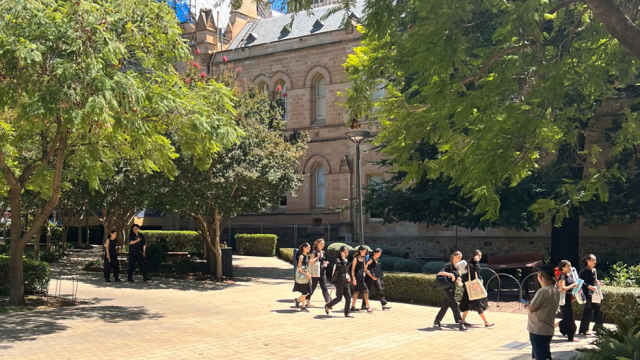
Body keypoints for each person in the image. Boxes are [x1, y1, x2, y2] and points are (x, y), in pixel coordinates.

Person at [524, 265, 560, 360]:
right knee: (540, 354)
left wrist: (525, 305)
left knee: (541, 356)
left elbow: (532, 308)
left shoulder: (543, 291)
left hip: (538, 329)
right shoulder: (555, 289)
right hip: (547, 328)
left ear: (539, 275)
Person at [434, 251, 466, 331]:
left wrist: (459, 280)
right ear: (454, 256)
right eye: (458, 257)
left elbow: (456, 277)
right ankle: (460, 323)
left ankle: (437, 319)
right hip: (447, 288)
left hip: (453, 287)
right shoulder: (448, 265)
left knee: (445, 305)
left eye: (461, 258)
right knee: (455, 305)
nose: (460, 259)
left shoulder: (457, 267)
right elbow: (441, 272)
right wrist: (451, 275)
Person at [460, 250, 493, 327]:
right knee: (477, 305)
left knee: (468, 304)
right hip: (472, 288)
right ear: (474, 256)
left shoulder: (472, 264)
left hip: (471, 288)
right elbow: (477, 269)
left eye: (480, 256)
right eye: (478, 255)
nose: (480, 257)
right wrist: (476, 261)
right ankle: (486, 322)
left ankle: (463, 320)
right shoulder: (471, 264)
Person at [579, 254, 604, 335]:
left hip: (593, 293)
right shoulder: (583, 271)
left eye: (595, 260)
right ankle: (586, 329)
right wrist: (589, 286)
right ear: (588, 261)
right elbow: (580, 282)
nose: (595, 262)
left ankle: (594, 328)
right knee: (591, 310)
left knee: (593, 310)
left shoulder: (594, 270)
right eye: (593, 260)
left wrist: (599, 283)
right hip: (587, 293)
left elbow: (595, 281)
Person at [325, 245, 353, 317]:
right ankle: (328, 305)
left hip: (346, 281)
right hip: (339, 281)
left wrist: (349, 276)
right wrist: (343, 259)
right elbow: (342, 267)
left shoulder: (346, 260)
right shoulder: (338, 260)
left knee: (348, 297)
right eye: (344, 253)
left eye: (347, 253)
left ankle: (347, 312)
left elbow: (347, 270)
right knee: (339, 298)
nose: (346, 254)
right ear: (341, 253)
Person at [306, 238, 331, 307]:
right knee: (312, 287)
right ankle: (303, 300)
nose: (323, 245)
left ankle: (328, 302)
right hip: (316, 272)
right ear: (317, 244)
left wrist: (325, 262)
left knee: (324, 287)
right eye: (321, 244)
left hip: (322, 271)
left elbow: (321, 261)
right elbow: (310, 261)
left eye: (323, 244)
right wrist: (317, 257)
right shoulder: (314, 252)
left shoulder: (323, 252)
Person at [557, 260, 578, 342]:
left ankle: (563, 329)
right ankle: (570, 336)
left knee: (568, 318)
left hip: (569, 299)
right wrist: (573, 285)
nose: (570, 267)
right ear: (563, 268)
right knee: (570, 318)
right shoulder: (562, 277)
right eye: (568, 266)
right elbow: (562, 289)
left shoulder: (569, 275)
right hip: (564, 301)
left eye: (570, 266)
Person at [350, 246, 372, 313]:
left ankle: (353, 306)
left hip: (362, 277)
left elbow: (364, 269)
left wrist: (367, 264)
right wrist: (353, 279)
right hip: (357, 277)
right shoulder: (355, 259)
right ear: (360, 251)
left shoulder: (363, 259)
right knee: (366, 290)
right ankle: (368, 307)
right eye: (364, 251)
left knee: (357, 291)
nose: (365, 253)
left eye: (365, 252)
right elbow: (352, 270)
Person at [293, 242, 313, 311]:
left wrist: (310, 276)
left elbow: (308, 267)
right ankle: (303, 306)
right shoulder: (301, 256)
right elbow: (299, 268)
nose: (309, 249)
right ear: (304, 248)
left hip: (307, 277)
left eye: (310, 248)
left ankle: (298, 300)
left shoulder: (307, 256)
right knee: (305, 292)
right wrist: (306, 274)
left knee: (308, 292)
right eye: (308, 248)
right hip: (303, 276)